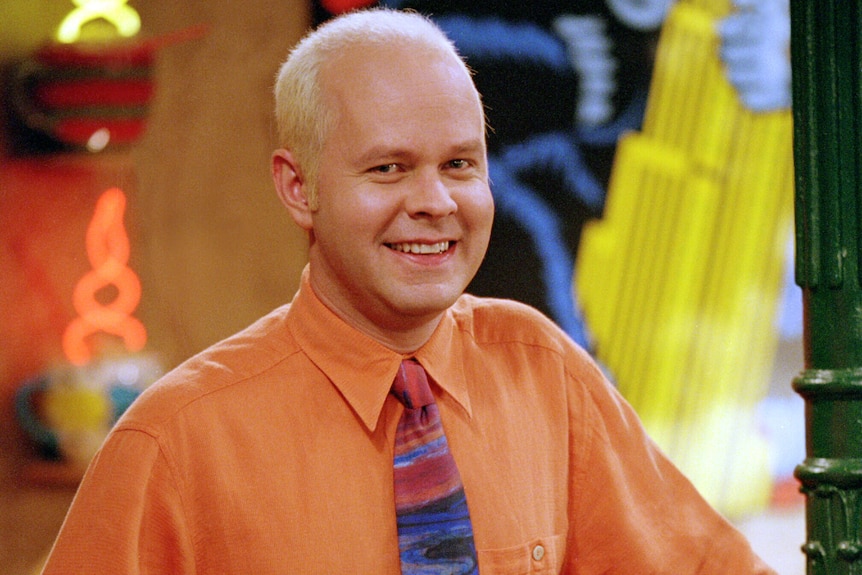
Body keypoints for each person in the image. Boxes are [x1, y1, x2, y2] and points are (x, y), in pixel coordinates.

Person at [41, 8, 776, 574]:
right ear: (298, 188)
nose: (435, 201)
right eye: (388, 169)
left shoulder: (543, 371)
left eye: (459, 163)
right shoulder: (174, 440)